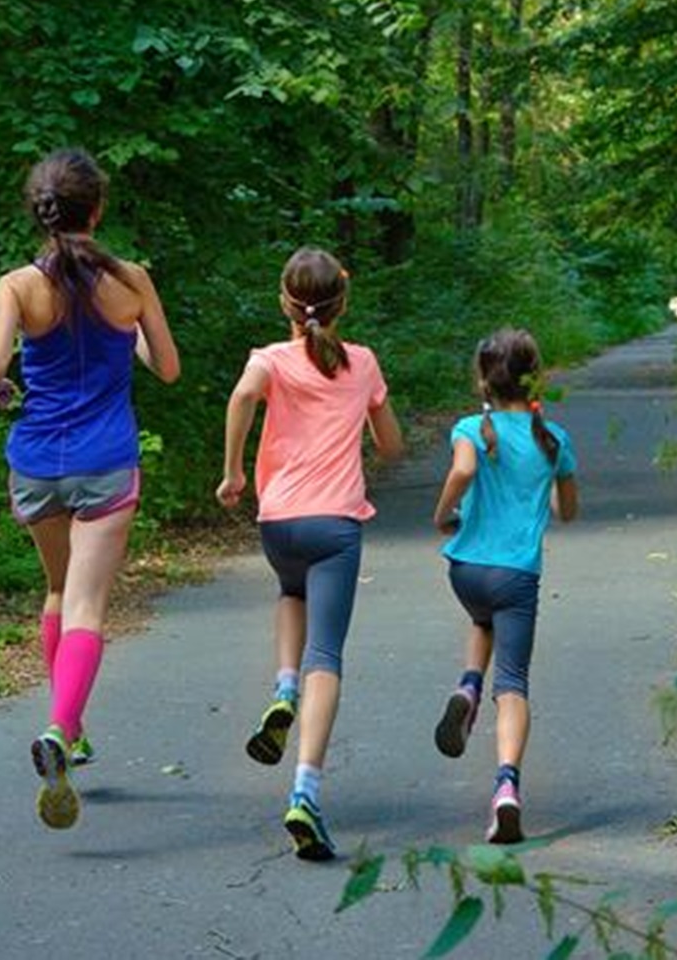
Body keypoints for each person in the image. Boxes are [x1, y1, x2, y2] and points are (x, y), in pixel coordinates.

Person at [0, 148, 179, 831]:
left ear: (40, 212)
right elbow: (169, 368)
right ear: (98, 208)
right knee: (89, 606)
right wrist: (133, 336)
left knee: (59, 591)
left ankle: (73, 727)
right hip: (106, 462)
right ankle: (62, 731)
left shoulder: (17, 286)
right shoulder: (134, 281)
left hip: (36, 462)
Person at [216, 246, 404, 860]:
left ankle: (284, 687)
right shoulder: (363, 363)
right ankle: (305, 793)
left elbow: (242, 397)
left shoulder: (269, 360)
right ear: (341, 304)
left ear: (285, 304)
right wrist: (372, 420)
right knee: (330, 651)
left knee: (288, 591)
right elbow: (393, 446)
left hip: (279, 523)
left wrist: (234, 473)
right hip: (335, 525)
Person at [429, 328, 578, 844]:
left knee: (480, 618)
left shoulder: (471, 427)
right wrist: (545, 494)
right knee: (513, 684)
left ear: (482, 380)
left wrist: (444, 511)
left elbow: (465, 469)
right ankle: (506, 789)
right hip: (517, 577)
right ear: (535, 378)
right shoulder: (554, 439)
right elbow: (567, 512)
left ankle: (468, 684)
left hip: (466, 571)